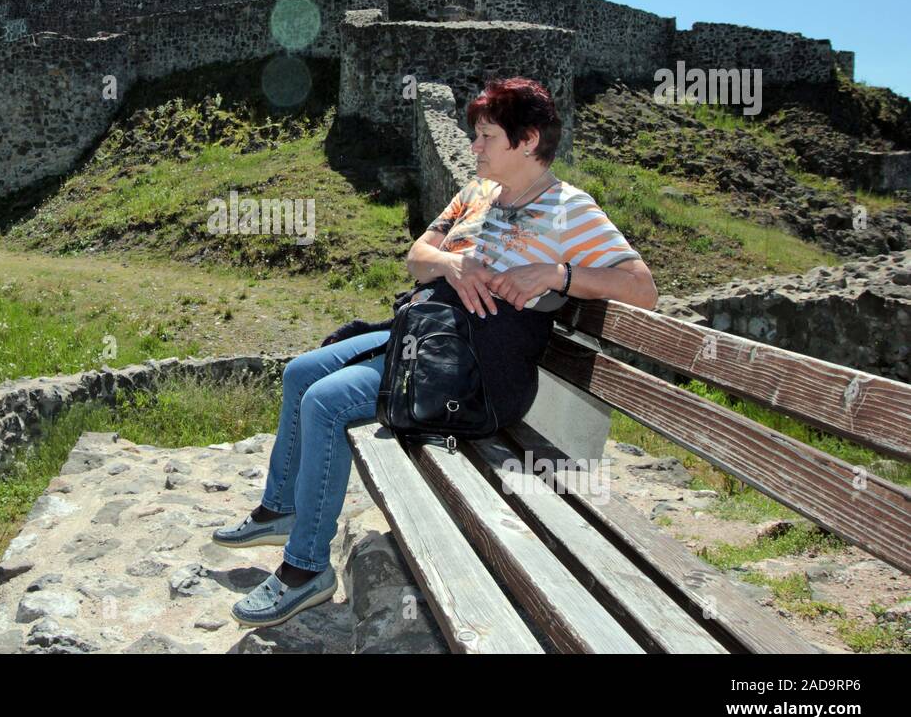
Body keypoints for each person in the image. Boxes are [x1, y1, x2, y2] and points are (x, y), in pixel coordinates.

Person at [215, 77, 659, 629]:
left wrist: (558, 273)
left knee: (325, 402)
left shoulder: (570, 210)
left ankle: (306, 570)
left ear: (527, 141)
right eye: (475, 136)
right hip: (428, 336)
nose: (474, 147)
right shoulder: (477, 194)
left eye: (487, 137)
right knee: (302, 372)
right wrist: (454, 264)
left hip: (472, 371)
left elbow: (643, 288)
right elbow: (417, 255)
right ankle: (281, 509)